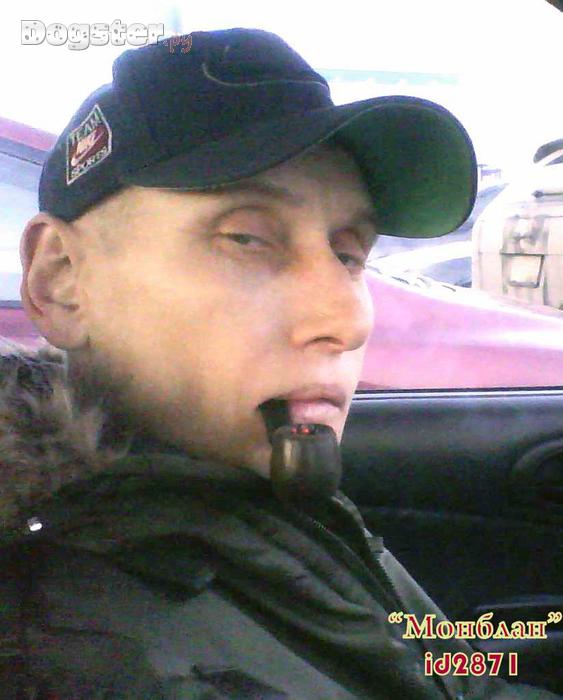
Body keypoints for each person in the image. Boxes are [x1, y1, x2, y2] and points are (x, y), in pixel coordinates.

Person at [0, 27, 558, 699]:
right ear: (61, 279)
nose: (348, 321)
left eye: (348, 254)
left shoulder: (259, 509)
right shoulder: (71, 650)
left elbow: (444, 674)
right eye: (247, 238)